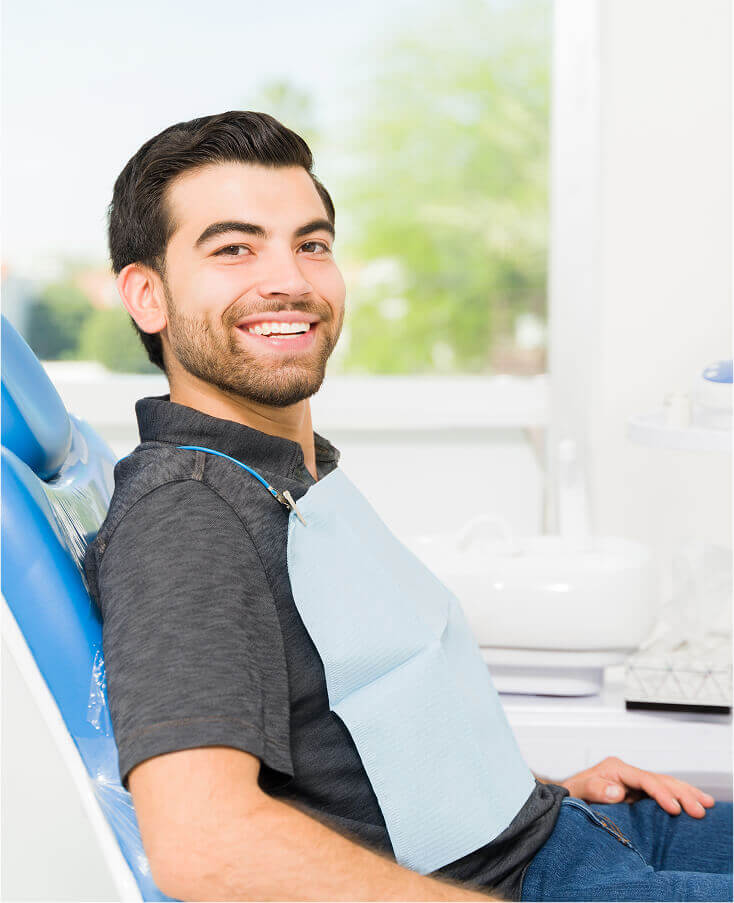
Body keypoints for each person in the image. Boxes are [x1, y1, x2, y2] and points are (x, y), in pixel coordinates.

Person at [83, 111, 732, 903]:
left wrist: (537, 791)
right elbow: (204, 844)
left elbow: (363, 738)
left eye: (311, 244)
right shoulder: (185, 514)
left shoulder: (285, 474)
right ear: (146, 295)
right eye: (234, 248)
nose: (289, 278)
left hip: (568, 829)